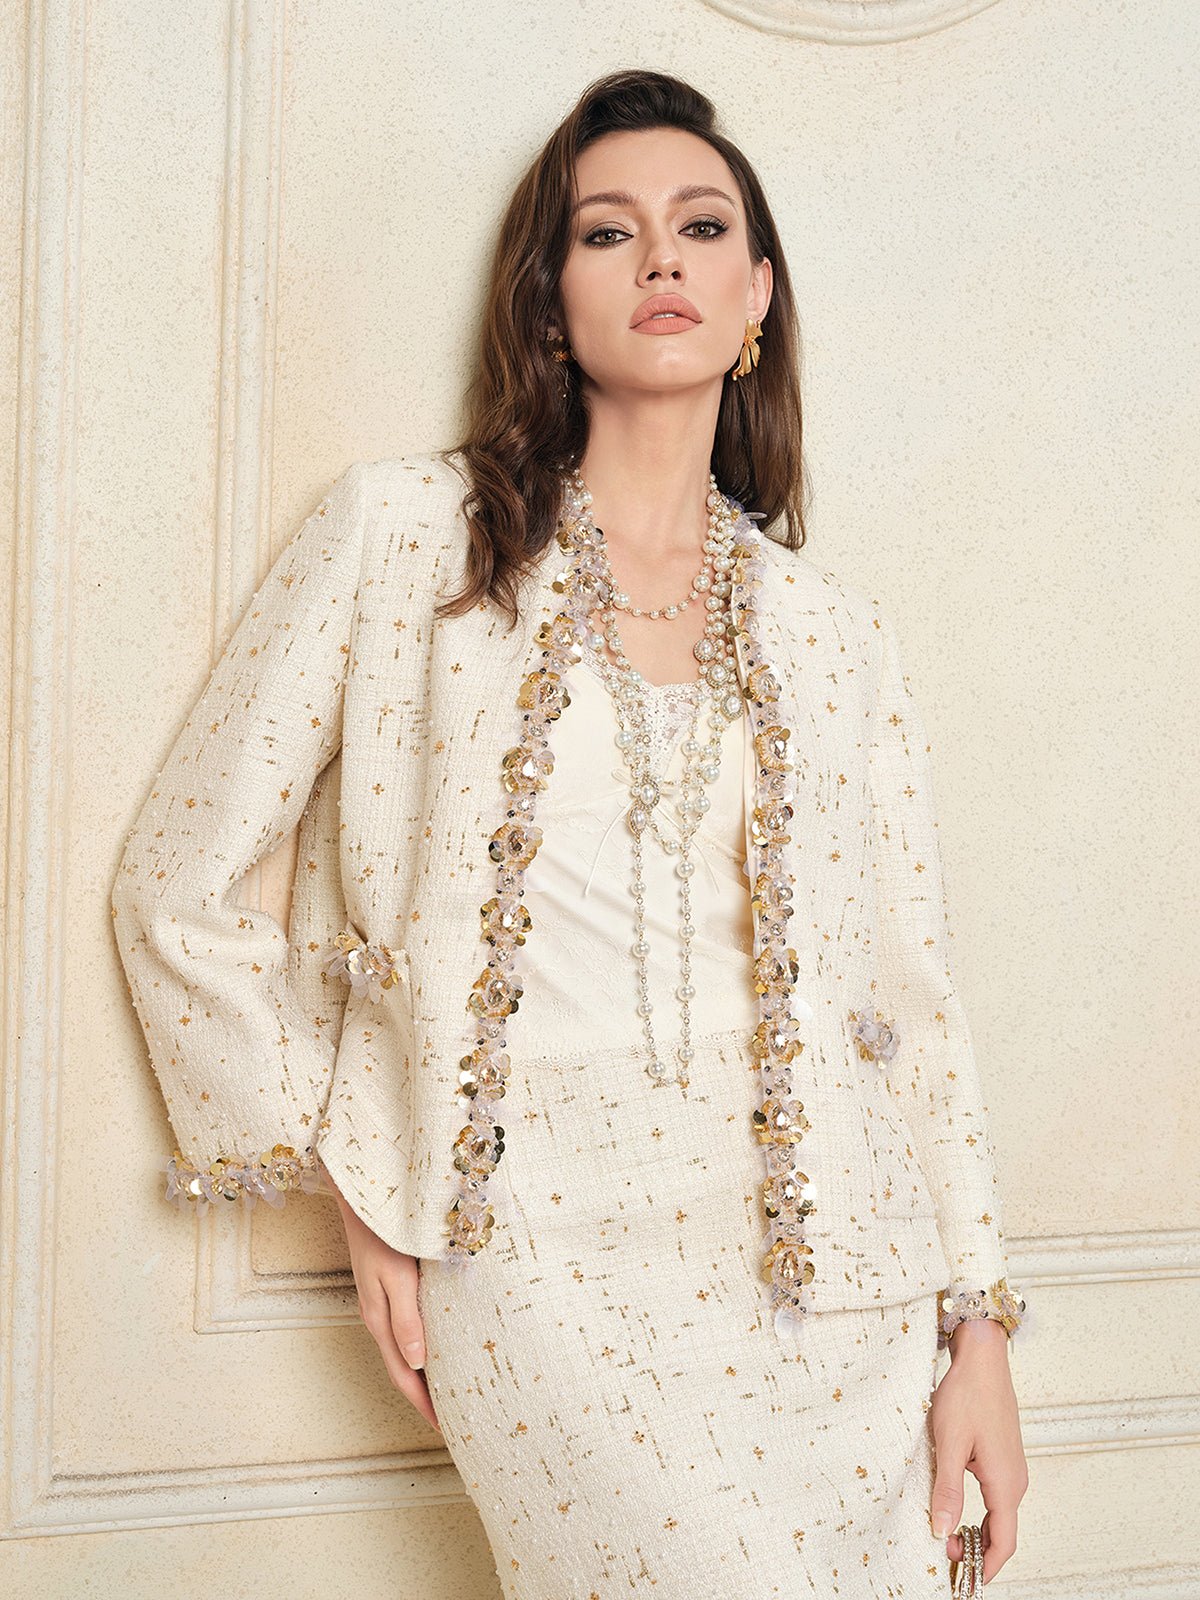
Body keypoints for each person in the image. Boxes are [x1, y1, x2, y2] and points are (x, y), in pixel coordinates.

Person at [111, 68, 1028, 1599]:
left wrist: (978, 1333)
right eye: (608, 233)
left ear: (756, 295)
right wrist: (364, 1172)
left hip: (842, 1281)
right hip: (534, 1246)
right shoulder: (405, 538)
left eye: (700, 225)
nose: (660, 258)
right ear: (550, 306)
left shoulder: (833, 635)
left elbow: (910, 1001)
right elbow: (178, 880)